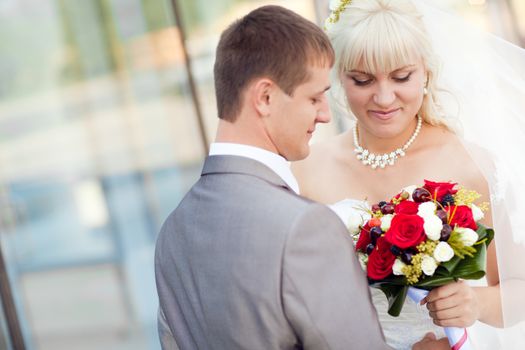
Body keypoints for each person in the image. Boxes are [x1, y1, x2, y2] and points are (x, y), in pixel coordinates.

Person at [154, 5, 393, 349]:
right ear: (265, 97)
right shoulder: (305, 227)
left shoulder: (172, 232)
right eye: (314, 98)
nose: (325, 115)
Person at [293, 0, 525, 349]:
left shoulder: (471, 165)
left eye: (401, 77)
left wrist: (475, 303)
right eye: (362, 79)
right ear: (339, 77)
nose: (384, 98)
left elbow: (517, 286)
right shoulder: (306, 169)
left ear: (426, 73)